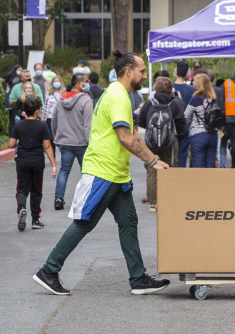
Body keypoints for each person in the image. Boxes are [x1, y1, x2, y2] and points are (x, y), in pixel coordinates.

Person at [33, 51, 171, 296]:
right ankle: (49, 270)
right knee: (84, 223)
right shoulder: (118, 96)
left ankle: (138, 279)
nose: (143, 75)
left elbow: (134, 134)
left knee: (128, 222)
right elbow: (125, 137)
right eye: (141, 71)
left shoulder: (118, 94)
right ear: (128, 71)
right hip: (103, 173)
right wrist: (151, 161)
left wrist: (154, 160)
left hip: (116, 175)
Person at [10, 96, 57, 231]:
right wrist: (53, 165)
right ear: (37, 112)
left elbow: (11, 144)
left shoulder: (19, 126)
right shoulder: (42, 126)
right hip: (37, 161)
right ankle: (35, 219)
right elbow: (48, 147)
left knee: (22, 189)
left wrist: (21, 140)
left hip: (22, 161)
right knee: (36, 190)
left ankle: (22, 208)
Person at [139, 76, 185, 211]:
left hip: (151, 142)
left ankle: (153, 203)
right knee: (169, 168)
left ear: (156, 88)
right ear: (170, 89)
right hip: (170, 142)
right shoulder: (174, 103)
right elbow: (181, 123)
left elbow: (141, 122)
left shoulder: (149, 103)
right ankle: (168, 200)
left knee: (151, 169)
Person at [51, 74, 93, 211]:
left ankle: (58, 199)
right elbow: (88, 125)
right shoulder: (86, 100)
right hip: (81, 143)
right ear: (79, 84)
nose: (87, 84)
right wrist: (89, 142)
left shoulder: (61, 98)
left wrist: (56, 137)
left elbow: (54, 120)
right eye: (85, 82)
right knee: (86, 172)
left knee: (64, 171)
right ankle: (86, 199)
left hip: (64, 141)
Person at [184, 73, 219, 168]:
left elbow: (185, 116)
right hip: (213, 135)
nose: (193, 84)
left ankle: (199, 183)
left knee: (198, 168)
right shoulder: (213, 99)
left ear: (199, 84)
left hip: (198, 136)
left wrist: (191, 120)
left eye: (195, 82)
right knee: (210, 167)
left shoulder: (196, 99)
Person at [173, 60, 195, 167]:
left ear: (176, 71)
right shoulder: (191, 90)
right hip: (186, 125)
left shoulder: (170, 88)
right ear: (187, 73)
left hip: (172, 126)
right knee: (183, 155)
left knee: (172, 155)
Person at [42, 74, 66, 158]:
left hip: (61, 119)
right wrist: (43, 121)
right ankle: (53, 156)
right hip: (50, 118)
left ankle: (64, 155)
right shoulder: (49, 94)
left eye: (58, 81)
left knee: (61, 138)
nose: (56, 83)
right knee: (51, 138)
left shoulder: (64, 94)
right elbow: (45, 108)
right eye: (55, 82)